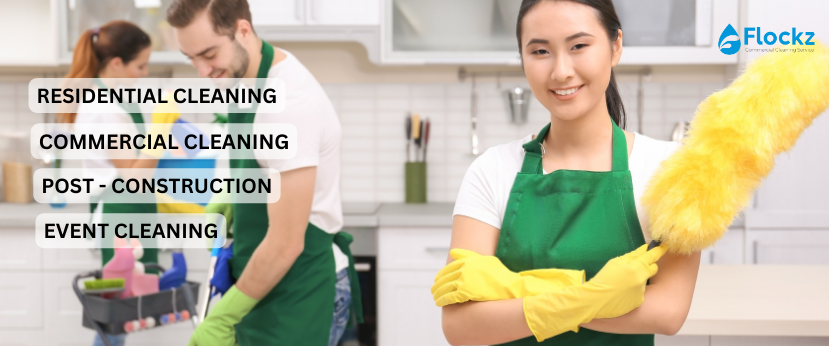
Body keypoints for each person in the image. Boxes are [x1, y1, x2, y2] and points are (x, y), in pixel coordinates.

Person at [432, 0, 701, 345]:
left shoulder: (671, 170)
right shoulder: (492, 170)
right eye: (540, 51)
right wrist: (594, 295)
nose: (561, 71)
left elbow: (666, 311)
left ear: (615, 46)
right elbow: (461, 325)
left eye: (578, 46)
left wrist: (525, 293)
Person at [166, 1, 362, 345]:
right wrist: (235, 194)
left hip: (300, 288)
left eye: (209, 54)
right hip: (264, 282)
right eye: (191, 58)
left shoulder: (286, 106)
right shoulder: (249, 74)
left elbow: (286, 243)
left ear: (242, 31)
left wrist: (224, 317)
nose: (202, 71)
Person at [60, 20, 180, 346]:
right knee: (115, 320)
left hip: (128, 214)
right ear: (116, 63)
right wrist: (161, 128)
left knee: (121, 316)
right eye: (140, 65)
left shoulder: (116, 101)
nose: (144, 73)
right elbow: (134, 177)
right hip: (120, 218)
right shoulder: (104, 110)